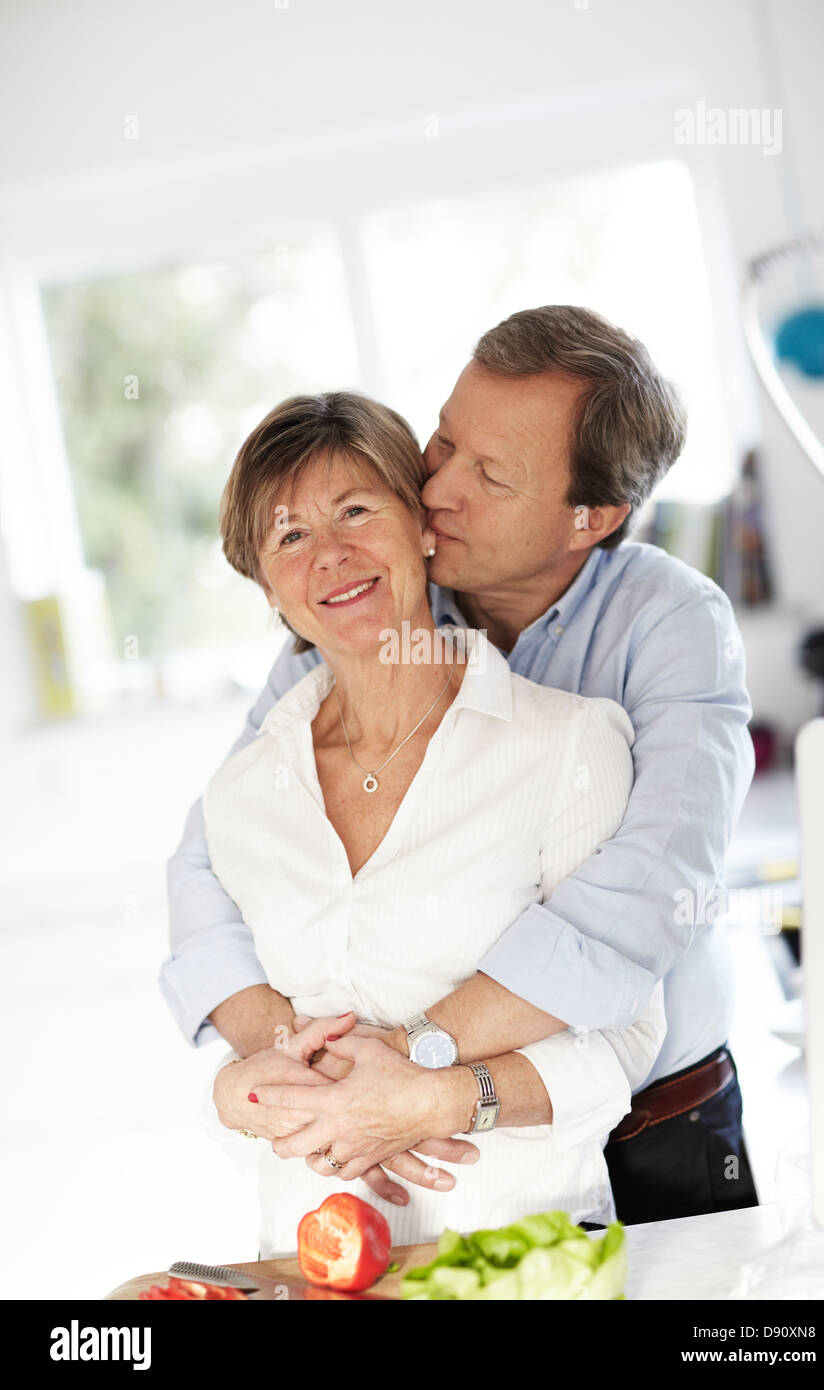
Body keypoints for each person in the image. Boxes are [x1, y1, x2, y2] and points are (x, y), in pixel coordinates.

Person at [161, 305, 759, 1226]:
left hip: (655, 1114)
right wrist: (300, 1063)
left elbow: (643, 897)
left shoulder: (668, 625)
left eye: (491, 474)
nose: (436, 488)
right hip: (419, 1145)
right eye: (443, 442)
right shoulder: (366, 607)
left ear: (591, 518)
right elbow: (216, 853)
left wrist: (412, 1064)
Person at [198, 389, 664, 1254]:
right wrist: (236, 1093)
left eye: (355, 511)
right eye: (289, 536)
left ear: (421, 525)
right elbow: (255, 1052)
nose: (330, 555)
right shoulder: (243, 795)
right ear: (267, 584)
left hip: (523, 1261)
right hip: (311, 1266)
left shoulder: (567, 744)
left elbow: (630, 1035)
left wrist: (436, 1098)